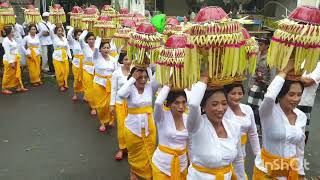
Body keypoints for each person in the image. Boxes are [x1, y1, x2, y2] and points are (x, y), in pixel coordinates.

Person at [252, 61, 306, 179]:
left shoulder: (302, 116)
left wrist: (301, 172)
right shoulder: (268, 112)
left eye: (299, 94)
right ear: (280, 94)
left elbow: (300, 148)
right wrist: (284, 72)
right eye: (291, 94)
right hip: (266, 172)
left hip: (290, 173)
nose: (296, 99)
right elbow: (270, 96)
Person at [186, 71, 245, 179]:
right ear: (203, 107)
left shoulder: (234, 126)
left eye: (224, 103)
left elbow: (238, 160)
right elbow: (194, 104)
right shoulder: (196, 125)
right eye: (214, 104)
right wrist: (205, 76)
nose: (220, 109)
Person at [118, 65, 159, 180]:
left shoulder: (150, 87)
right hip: (132, 128)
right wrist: (132, 79)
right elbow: (120, 94)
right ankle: (134, 171)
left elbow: (160, 76)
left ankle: (149, 172)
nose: (143, 79)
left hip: (149, 128)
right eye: (140, 77)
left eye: (145, 77)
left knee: (150, 151)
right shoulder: (130, 88)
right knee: (133, 152)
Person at [224, 83, 261, 178]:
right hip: (226, 154)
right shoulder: (222, 111)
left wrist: (258, 154)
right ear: (226, 94)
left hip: (241, 154)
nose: (237, 97)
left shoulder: (247, 109)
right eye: (233, 93)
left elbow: (253, 133)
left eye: (240, 93)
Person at [152, 85, 189, 180]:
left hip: (182, 165)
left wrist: (186, 87)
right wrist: (168, 85)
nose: (181, 107)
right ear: (169, 104)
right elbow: (158, 102)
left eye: (183, 102)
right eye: (176, 103)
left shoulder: (188, 118)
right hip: (162, 165)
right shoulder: (161, 117)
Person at [92, 37, 118, 132]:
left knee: (110, 104)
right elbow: (95, 49)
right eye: (104, 48)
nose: (106, 50)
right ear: (100, 49)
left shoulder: (113, 59)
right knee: (101, 105)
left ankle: (111, 120)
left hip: (110, 83)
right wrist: (99, 38)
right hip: (99, 83)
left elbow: (116, 72)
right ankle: (102, 121)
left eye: (108, 48)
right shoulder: (96, 57)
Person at [247, 37, 272, 134]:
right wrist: (250, 84)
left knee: (261, 108)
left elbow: (272, 74)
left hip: (264, 86)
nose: (259, 46)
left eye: (261, 44)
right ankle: (250, 126)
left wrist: (269, 87)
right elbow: (253, 70)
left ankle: (259, 128)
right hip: (255, 84)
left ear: (267, 46)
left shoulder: (270, 58)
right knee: (250, 106)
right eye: (259, 44)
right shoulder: (256, 55)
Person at [110, 52, 131, 160]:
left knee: (132, 127)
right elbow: (113, 90)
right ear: (122, 61)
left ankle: (131, 148)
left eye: (130, 59)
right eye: (126, 59)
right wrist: (112, 105)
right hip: (119, 103)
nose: (128, 62)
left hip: (132, 105)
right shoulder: (117, 73)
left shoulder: (135, 72)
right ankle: (122, 148)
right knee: (122, 127)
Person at [298, 61, 320, 144]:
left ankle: (299, 154)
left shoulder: (318, 65)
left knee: (302, 132)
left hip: (305, 103)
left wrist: (295, 76)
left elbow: (308, 82)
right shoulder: (302, 60)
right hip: (291, 99)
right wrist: (301, 79)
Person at [2, 26, 28, 94]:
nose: (13, 33)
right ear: (9, 33)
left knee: (16, 74)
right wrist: (11, 62)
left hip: (15, 58)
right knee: (8, 75)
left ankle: (18, 86)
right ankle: (4, 88)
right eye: (12, 32)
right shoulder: (6, 41)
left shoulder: (12, 39)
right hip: (9, 60)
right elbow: (7, 52)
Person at [79, 30, 97, 116]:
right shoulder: (84, 46)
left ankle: (93, 101)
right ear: (87, 40)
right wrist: (86, 29)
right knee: (89, 88)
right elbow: (80, 38)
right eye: (89, 39)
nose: (91, 41)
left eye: (93, 39)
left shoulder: (97, 47)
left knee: (96, 88)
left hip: (96, 70)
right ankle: (93, 106)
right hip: (87, 69)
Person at [50, 25, 71, 92]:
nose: (60, 32)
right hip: (57, 57)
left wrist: (70, 57)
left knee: (66, 71)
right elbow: (50, 30)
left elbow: (67, 48)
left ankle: (65, 83)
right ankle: (61, 85)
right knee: (59, 72)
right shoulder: (54, 38)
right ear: (56, 31)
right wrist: (56, 23)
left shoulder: (64, 39)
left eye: (61, 31)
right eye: (58, 31)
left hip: (64, 57)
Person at [67, 26, 84, 101]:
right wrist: (73, 27)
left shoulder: (85, 43)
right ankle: (75, 94)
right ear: (75, 35)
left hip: (84, 63)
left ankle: (85, 95)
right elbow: (68, 35)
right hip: (76, 63)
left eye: (81, 35)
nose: (79, 36)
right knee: (76, 79)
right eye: (78, 35)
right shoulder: (73, 42)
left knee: (84, 79)